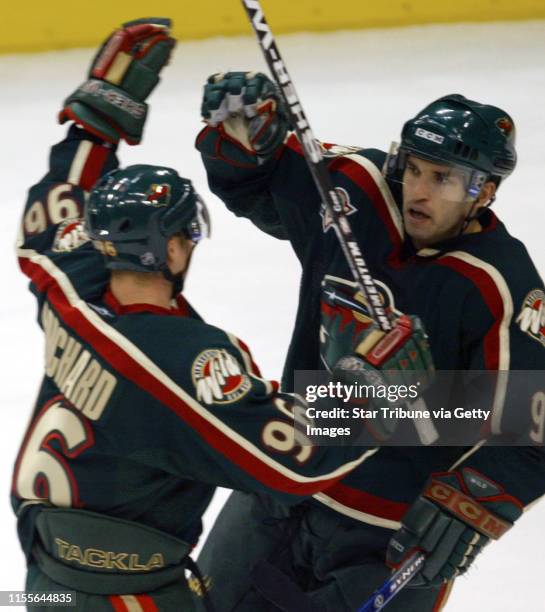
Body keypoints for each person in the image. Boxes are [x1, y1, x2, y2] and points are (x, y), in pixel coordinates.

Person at [11, 26, 384, 612]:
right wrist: (369, 390)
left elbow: (54, 207)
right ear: (173, 249)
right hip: (126, 595)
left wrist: (94, 125)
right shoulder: (190, 360)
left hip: (44, 581)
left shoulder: (70, 284)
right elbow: (288, 461)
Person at [194, 71, 545, 611]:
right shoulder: (354, 188)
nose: (420, 191)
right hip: (285, 476)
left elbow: (532, 429)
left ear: (485, 192)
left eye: (444, 179)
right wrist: (244, 140)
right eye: (415, 169)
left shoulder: (500, 283)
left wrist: (475, 497)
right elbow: (257, 186)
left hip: (384, 530)